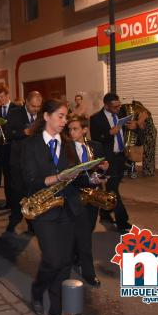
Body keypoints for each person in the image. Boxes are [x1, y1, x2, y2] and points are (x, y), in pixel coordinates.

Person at [22, 99, 98, 315]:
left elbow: (77, 179)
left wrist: (93, 177)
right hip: (44, 209)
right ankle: (37, 291)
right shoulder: (30, 145)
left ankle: (56, 309)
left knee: (64, 263)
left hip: (69, 208)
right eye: (61, 116)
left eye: (66, 117)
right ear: (46, 116)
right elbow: (29, 180)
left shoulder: (67, 144)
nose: (65, 121)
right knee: (53, 259)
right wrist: (57, 177)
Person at [66, 114, 108, 288]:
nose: (71, 132)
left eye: (75, 129)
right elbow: (69, 175)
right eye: (69, 129)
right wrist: (89, 180)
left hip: (92, 195)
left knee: (88, 230)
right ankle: (88, 271)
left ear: (84, 130)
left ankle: (75, 257)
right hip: (76, 195)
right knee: (84, 236)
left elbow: (102, 168)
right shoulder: (66, 148)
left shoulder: (95, 146)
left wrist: (104, 171)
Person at [89, 93, 136, 233]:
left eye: (119, 105)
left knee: (111, 188)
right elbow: (96, 139)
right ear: (106, 105)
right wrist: (110, 133)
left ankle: (104, 214)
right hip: (107, 159)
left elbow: (129, 131)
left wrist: (135, 127)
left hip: (121, 157)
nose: (118, 108)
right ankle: (123, 221)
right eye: (114, 106)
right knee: (113, 190)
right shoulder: (96, 118)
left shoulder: (121, 114)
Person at [4, 91, 42, 233]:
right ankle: (14, 218)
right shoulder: (14, 113)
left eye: (38, 107)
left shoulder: (42, 115)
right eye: (33, 106)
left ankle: (32, 222)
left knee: (32, 192)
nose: (36, 109)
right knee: (17, 192)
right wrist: (23, 132)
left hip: (35, 162)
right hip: (18, 160)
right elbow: (8, 133)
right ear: (26, 102)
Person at [0, 85, 19, 210]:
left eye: (2, 97)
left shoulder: (17, 108)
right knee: (7, 176)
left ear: (7, 95)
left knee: (16, 176)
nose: (0, 100)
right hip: (4, 147)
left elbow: (20, 127)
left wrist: (8, 125)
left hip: (15, 147)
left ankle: (17, 203)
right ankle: (8, 202)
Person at [135, 102, 157, 176]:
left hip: (149, 134)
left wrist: (135, 122)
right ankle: (149, 171)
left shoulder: (144, 113)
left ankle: (148, 171)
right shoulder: (145, 112)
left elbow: (139, 123)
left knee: (148, 152)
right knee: (149, 153)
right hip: (150, 132)